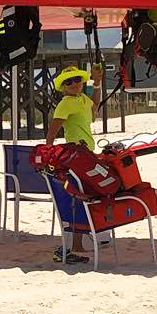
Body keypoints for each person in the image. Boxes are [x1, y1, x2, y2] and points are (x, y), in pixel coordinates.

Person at [45, 67, 98, 263]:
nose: (74, 84)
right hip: (75, 155)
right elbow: (52, 131)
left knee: (85, 195)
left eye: (77, 80)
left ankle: (78, 242)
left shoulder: (83, 99)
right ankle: (75, 243)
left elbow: (94, 112)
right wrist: (49, 152)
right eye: (69, 82)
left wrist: (98, 84)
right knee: (79, 196)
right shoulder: (66, 103)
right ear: (63, 87)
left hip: (87, 153)